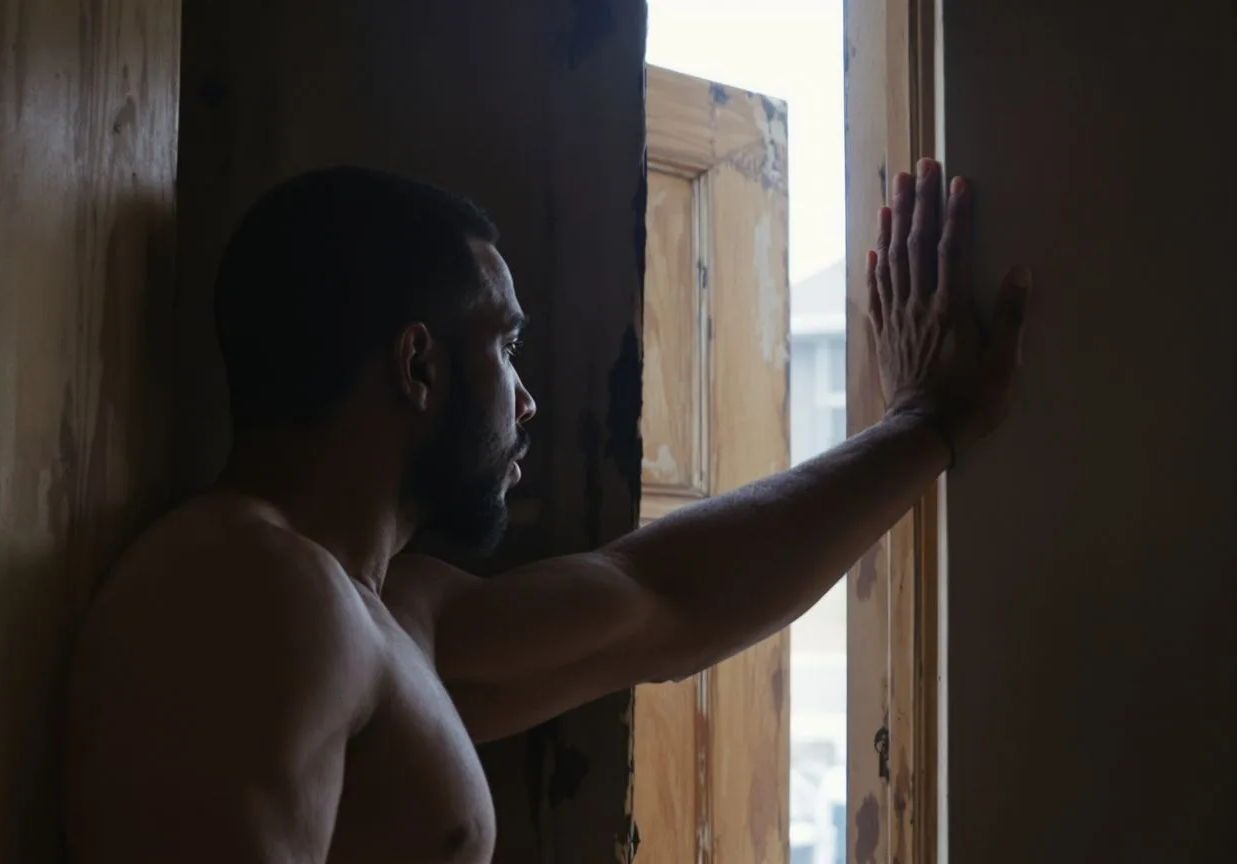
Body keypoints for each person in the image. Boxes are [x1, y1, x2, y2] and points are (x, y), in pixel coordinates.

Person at [63, 157, 1031, 863]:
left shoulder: (390, 612)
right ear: (418, 365)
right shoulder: (248, 588)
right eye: (505, 347)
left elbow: (665, 600)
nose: (525, 400)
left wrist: (925, 426)